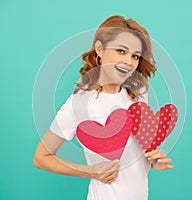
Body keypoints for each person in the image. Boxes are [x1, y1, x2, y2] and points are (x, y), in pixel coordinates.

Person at [33, 15, 174, 200]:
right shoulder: (78, 104)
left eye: (135, 56)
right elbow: (41, 157)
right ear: (100, 49)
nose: (129, 62)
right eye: (121, 51)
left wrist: (155, 160)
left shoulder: (138, 95)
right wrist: (90, 171)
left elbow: (137, 157)